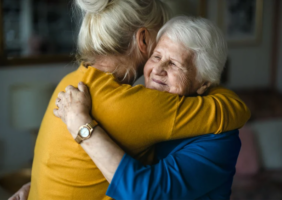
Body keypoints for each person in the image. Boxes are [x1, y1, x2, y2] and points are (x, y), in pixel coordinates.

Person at [14, 0, 250, 199]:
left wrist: (80, 128)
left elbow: (142, 191)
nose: (158, 69)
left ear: (204, 83)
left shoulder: (69, 82)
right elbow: (233, 110)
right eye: (157, 54)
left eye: (175, 64)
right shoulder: (135, 106)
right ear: (144, 40)